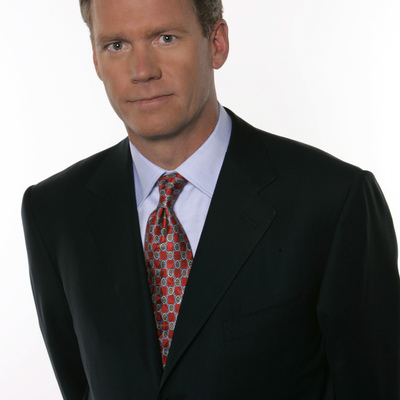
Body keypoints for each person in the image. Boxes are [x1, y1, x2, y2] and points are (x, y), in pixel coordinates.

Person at [22, 0, 399, 399]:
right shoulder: (54, 213)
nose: (142, 71)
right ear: (96, 59)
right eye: (116, 45)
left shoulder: (333, 201)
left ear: (217, 43)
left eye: (166, 38)